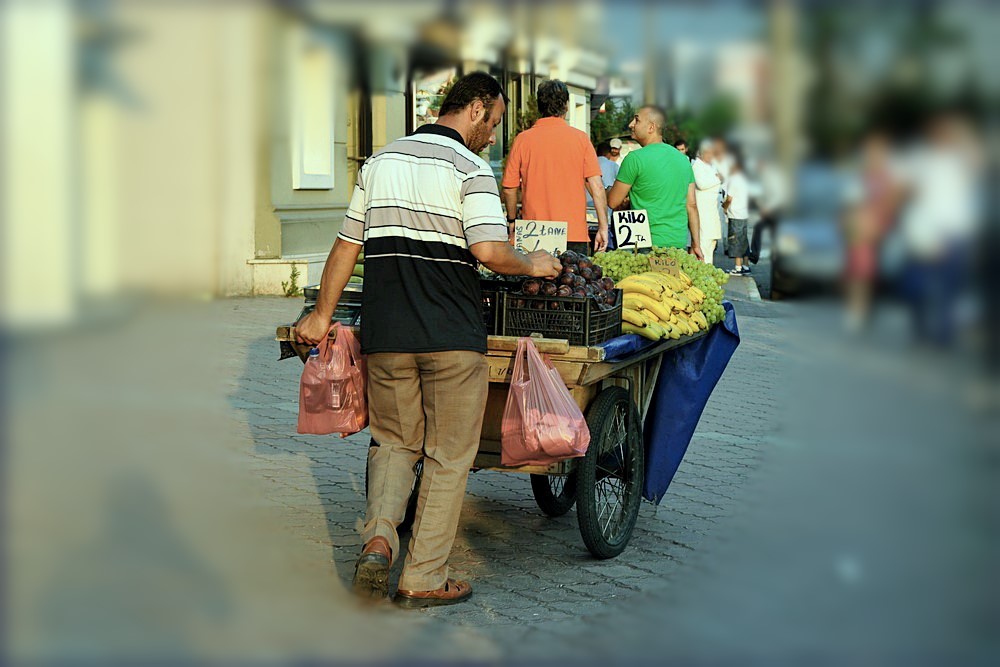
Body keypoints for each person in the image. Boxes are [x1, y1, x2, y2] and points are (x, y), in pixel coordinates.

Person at [295, 72, 561, 608]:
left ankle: (378, 541)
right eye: (495, 123)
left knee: (394, 445)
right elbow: (489, 251)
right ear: (478, 109)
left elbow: (347, 246)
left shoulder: (381, 162)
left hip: (387, 334)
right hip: (451, 337)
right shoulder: (470, 169)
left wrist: (321, 316)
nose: (492, 135)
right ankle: (423, 578)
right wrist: (533, 261)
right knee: (446, 456)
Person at [502, 79, 609, 255]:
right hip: (573, 232)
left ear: (539, 106)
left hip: (533, 232)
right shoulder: (581, 139)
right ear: (566, 106)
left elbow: (509, 188)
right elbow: (596, 186)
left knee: (534, 283)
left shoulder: (523, 140)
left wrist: (512, 221)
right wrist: (603, 227)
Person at [607, 105, 703, 258]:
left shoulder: (634, 159)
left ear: (651, 127)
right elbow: (691, 205)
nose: (631, 124)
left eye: (636, 120)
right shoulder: (683, 160)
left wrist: (607, 189)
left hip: (644, 245)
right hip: (677, 244)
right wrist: (696, 244)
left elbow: (613, 201)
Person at [748, 155, 787, 264]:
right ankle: (755, 255)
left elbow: (779, 195)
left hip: (778, 208)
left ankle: (778, 256)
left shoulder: (773, 176)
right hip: (772, 208)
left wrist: (767, 208)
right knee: (761, 228)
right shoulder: (764, 176)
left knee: (774, 231)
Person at [691, 140, 723, 264]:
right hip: (703, 213)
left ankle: (709, 274)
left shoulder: (708, 167)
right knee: (704, 246)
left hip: (711, 212)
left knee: (711, 245)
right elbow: (702, 184)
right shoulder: (697, 166)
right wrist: (718, 178)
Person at [589, 140, 620, 249]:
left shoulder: (589, 163)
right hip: (605, 213)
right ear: (608, 153)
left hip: (586, 213)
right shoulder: (613, 166)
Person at [723, 152, 751, 274]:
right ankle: (746, 266)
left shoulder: (733, 180)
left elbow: (729, 199)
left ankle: (738, 268)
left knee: (735, 240)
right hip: (744, 213)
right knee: (744, 240)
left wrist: (724, 207)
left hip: (735, 214)